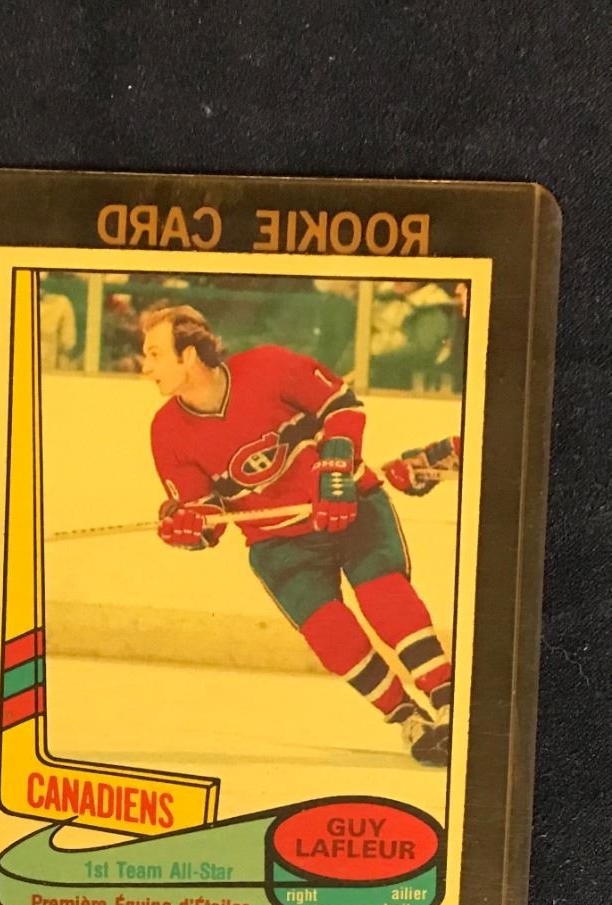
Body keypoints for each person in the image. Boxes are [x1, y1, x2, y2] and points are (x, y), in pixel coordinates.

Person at [142, 303, 453, 767]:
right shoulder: (166, 431)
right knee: (333, 637)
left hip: (349, 506)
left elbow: (341, 404)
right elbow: (205, 514)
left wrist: (336, 467)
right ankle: (410, 718)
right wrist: (186, 525)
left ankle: (449, 702)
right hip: (278, 545)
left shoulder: (268, 366)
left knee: (386, 600)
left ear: (188, 355)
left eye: (154, 354)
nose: (145, 368)